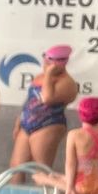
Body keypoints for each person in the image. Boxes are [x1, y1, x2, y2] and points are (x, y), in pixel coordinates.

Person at [9, 44, 78, 179]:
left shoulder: (68, 83)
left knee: (41, 169)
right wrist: (19, 120)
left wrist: (49, 75)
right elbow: (29, 101)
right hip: (26, 124)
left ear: (61, 63)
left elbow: (47, 98)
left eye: (49, 61)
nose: (45, 63)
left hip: (48, 125)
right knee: (16, 167)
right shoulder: (40, 77)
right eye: (45, 59)